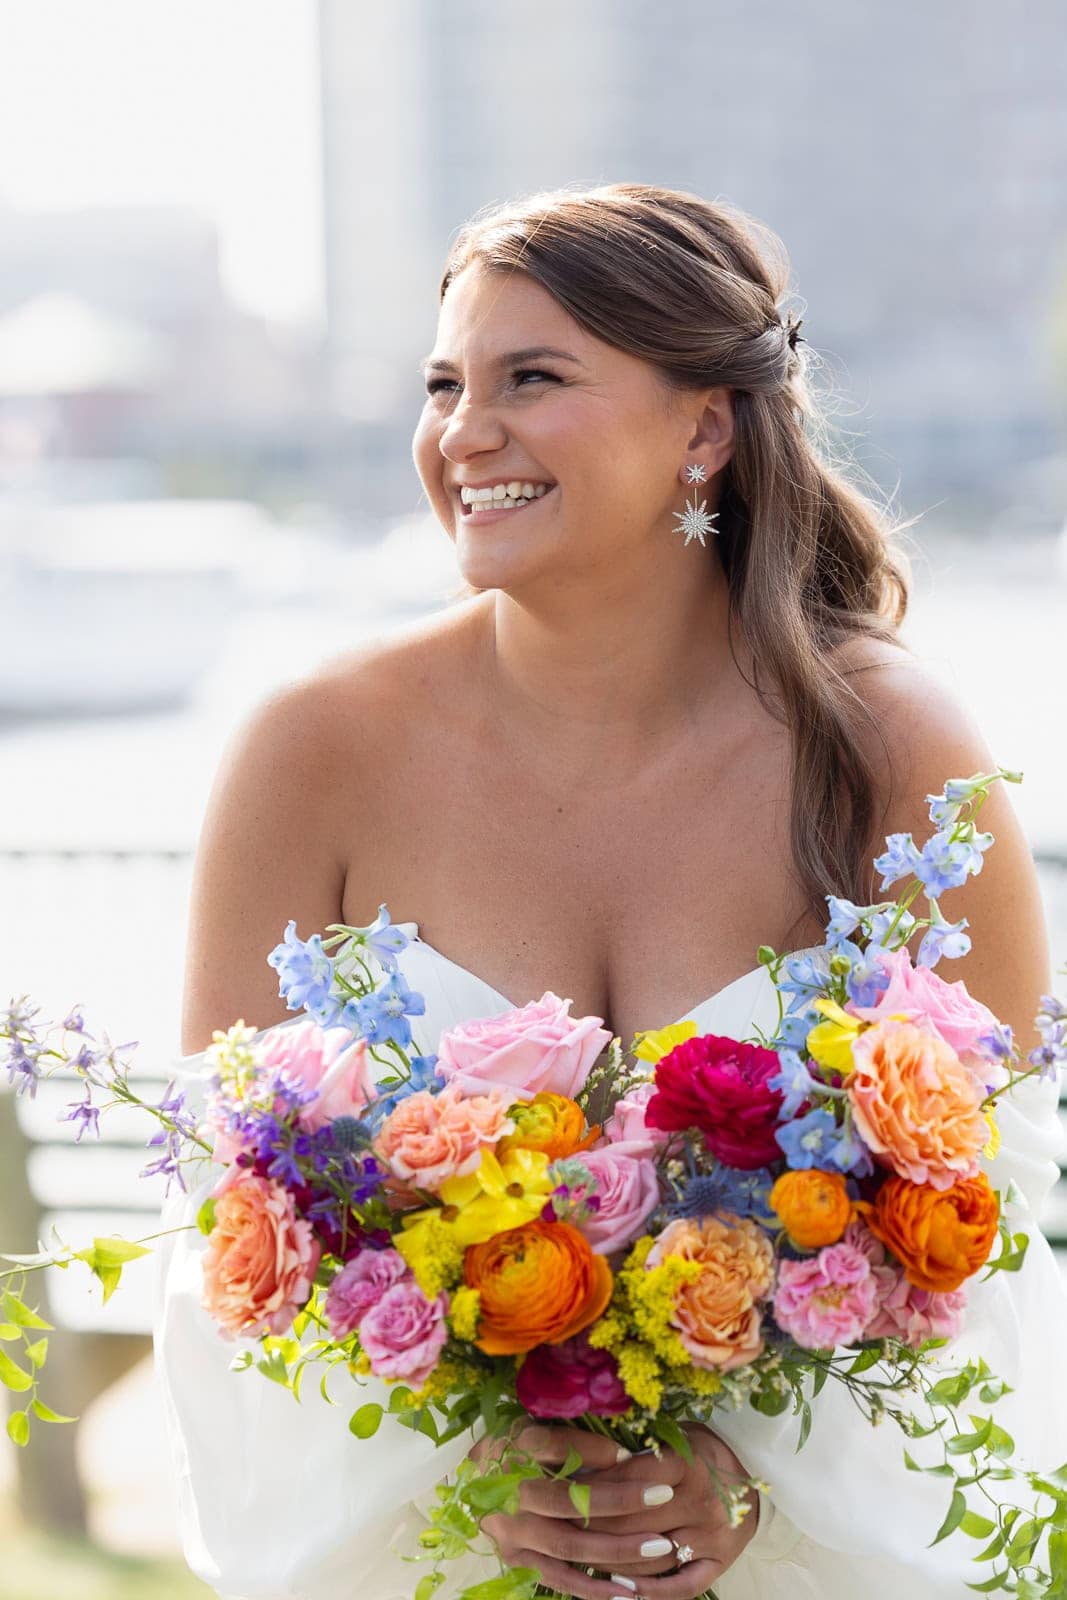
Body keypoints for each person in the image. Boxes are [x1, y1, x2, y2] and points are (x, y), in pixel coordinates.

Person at [154, 183, 1066, 1600]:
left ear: (704, 427)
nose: (466, 433)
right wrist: (467, 1461)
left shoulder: (896, 755)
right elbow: (225, 1244)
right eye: (446, 384)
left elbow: (994, 1248)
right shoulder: (311, 753)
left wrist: (758, 1478)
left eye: (534, 379)